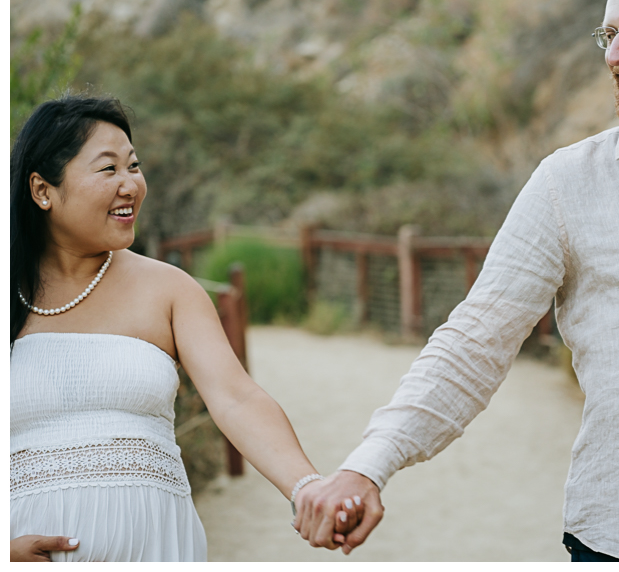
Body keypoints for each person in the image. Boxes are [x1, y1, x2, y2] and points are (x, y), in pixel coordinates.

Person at [296, 0, 619, 563]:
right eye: (609, 34)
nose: (617, 54)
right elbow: (476, 339)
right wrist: (369, 465)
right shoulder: (569, 184)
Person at [10, 96, 359, 561]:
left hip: (156, 548)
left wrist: (307, 486)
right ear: (42, 190)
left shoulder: (169, 289)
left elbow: (236, 398)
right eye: (108, 169)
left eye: (134, 166)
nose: (131, 184)